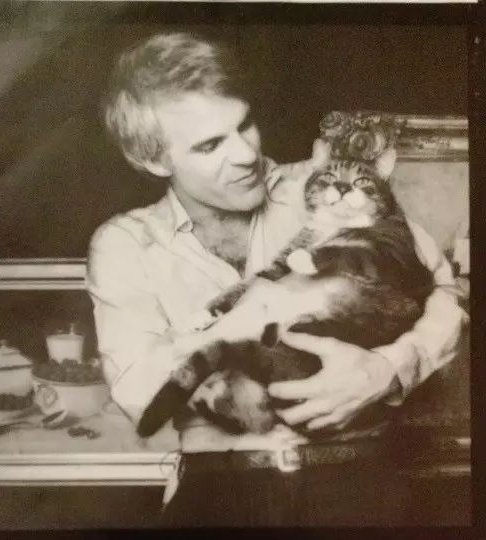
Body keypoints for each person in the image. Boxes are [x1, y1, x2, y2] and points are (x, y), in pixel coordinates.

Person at [86, 32, 468, 526]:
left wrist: (388, 369)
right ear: (154, 160)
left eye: (245, 125)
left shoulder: (324, 184)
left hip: (360, 482)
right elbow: (138, 391)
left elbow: (447, 289)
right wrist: (247, 317)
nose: (246, 155)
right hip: (218, 495)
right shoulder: (124, 244)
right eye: (210, 145)